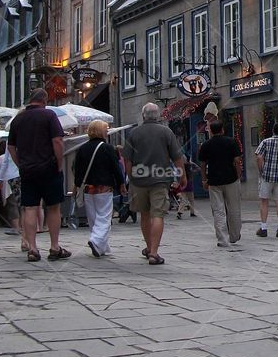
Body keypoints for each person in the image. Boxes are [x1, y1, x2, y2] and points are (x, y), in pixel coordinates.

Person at [8, 88, 69, 262]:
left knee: (30, 207)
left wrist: (20, 163)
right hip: (48, 167)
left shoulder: (18, 119)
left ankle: (32, 248)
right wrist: (58, 162)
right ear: (44, 100)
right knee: (53, 207)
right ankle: (54, 246)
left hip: (27, 170)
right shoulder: (49, 116)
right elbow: (57, 140)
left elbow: (11, 147)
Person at [122, 102, 184, 265]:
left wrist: (131, 177)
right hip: (160, 180)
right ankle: (154, 252)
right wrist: (181, 176)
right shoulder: (166, 132)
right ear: (158, 116)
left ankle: (149, 247)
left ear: (143, 116)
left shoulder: (134, 133)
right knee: (158, 214)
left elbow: (127, 160)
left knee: (144, 214)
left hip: (139, 180)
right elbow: (177, 157)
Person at [73, 120, 125, 258]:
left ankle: (102, 247)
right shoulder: (108, 148)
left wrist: (76, 185)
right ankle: (96, 241)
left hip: (88, 189)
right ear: (100, 131)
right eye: (106, 129)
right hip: (104, 187)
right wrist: (121, 183)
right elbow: (116, 168)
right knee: (104, 217)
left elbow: (77, 169)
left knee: (93, 218)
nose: (107, 131)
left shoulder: (82, 148)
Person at [198, 120, 243, 248]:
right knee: (234, 208)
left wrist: (204, 180)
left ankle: (222, 239)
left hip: (214, 181)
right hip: (231, 179)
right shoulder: (231, 142)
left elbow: (202, 164)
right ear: (222, 130)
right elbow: (237, 160)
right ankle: (234, 235)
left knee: (218, 210)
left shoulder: (206, 145)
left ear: (211, 131)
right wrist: (238, 175)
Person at [0, 140, 22, 238]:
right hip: (27, 173)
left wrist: (0, 180)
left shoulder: (11, 139)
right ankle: (26, 233)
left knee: (13, 205)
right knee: (27, 206)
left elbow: (5, 162)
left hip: (12, 178)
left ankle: (17, 228)